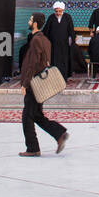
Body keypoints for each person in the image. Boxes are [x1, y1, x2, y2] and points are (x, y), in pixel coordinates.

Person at [18, 12, 69, 157]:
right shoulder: (45, 40)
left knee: (28, 116)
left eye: (30, 19)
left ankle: (33, 148)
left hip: (34, 83)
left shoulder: (36, 41)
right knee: (36, 115)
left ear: (35, 24)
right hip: (39, 83)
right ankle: (59, 133)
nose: (28, 22)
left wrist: (25, 83)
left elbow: (32, 64)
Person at [43, 1, 75, 80]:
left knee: (64, 61)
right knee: (54, 60)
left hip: (64, 44)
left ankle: (64, 77)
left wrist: (72, 40)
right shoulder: (51, 17)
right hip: (54, 44)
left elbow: (71, 30)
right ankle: (55, 78)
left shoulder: (67, 17)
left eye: (60, 11)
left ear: (63, 10)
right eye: (56, 11)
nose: (58, 13)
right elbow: (46, 30)